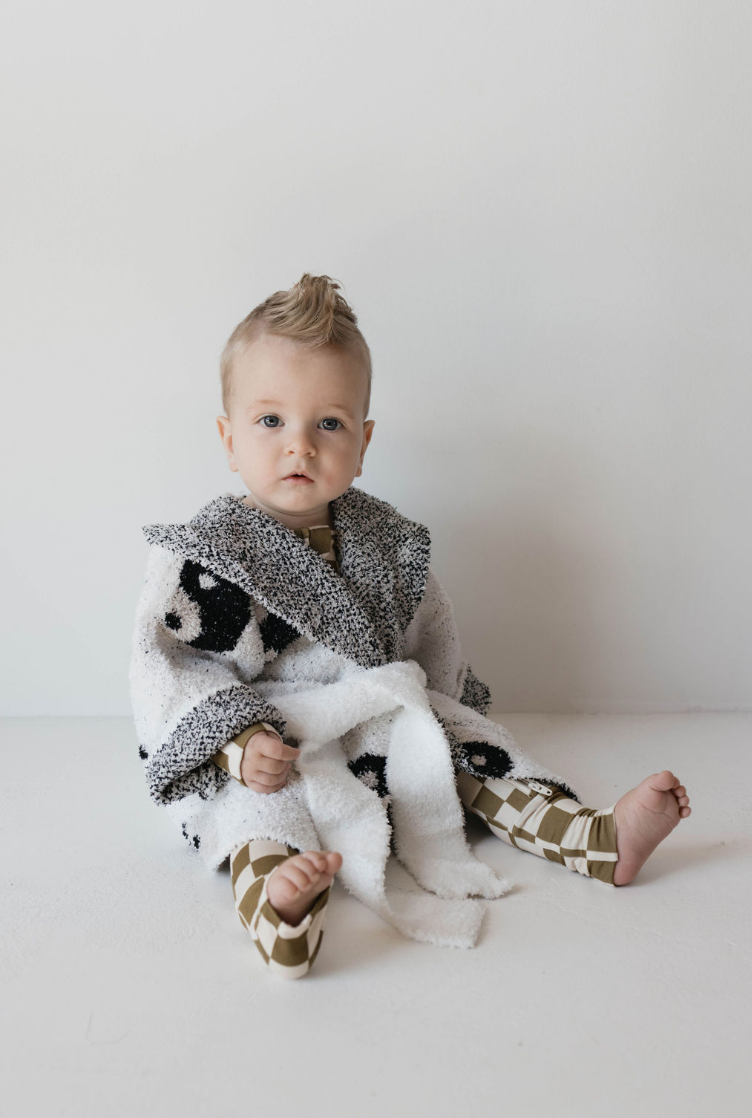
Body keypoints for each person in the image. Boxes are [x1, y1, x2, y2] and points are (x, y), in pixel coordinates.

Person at [129, 273, 691, 979]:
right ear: (228, 437)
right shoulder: (208, 556)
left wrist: (446, 712)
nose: (299, 446)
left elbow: (431, 641)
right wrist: (236, 744)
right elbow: (170, 668)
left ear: (362, 442)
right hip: (274, 738)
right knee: (258, 811)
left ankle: (594, 837)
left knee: (470, 750)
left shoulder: (388, 541)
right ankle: (282, 910)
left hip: (372, 718)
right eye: (271, 421)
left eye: (327, 423)